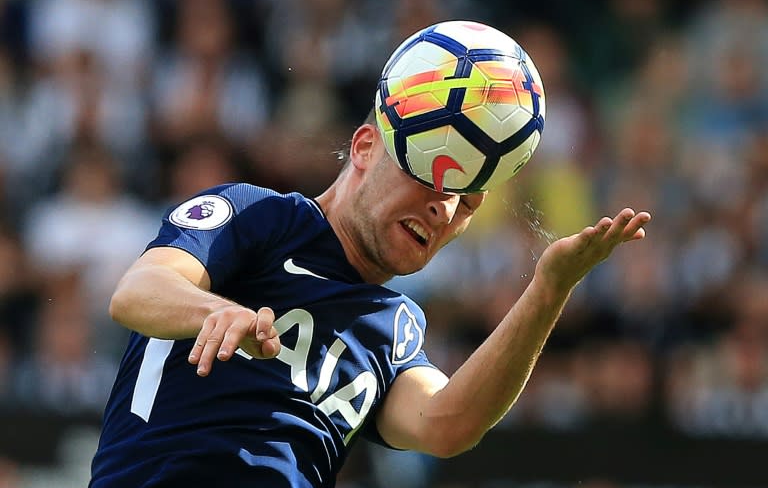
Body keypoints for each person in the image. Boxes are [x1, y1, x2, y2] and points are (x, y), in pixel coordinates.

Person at [89, 103, 650, 486]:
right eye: (433, 175)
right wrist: (216, 311)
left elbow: (447, 423)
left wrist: (549, 290)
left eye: (467, 205)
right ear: (364, 147)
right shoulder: (260, 215)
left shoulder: (395, 326)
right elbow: (139, 289)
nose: (446, 209)